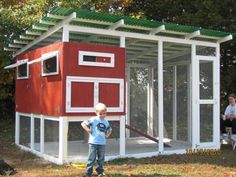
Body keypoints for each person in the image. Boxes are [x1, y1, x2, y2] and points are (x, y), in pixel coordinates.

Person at [81, 103, 112, 177]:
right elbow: (83, 124)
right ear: (96, 112)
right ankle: (88, 171)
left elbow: (109, 129)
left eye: (104, 113)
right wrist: (88, 130)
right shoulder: (93, 119)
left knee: (101, 158)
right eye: (100, 114)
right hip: (93, 142)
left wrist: (108, 134)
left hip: (102, 143)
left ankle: (100, 171)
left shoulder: (106, 122)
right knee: (91, 158)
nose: (102, 115)